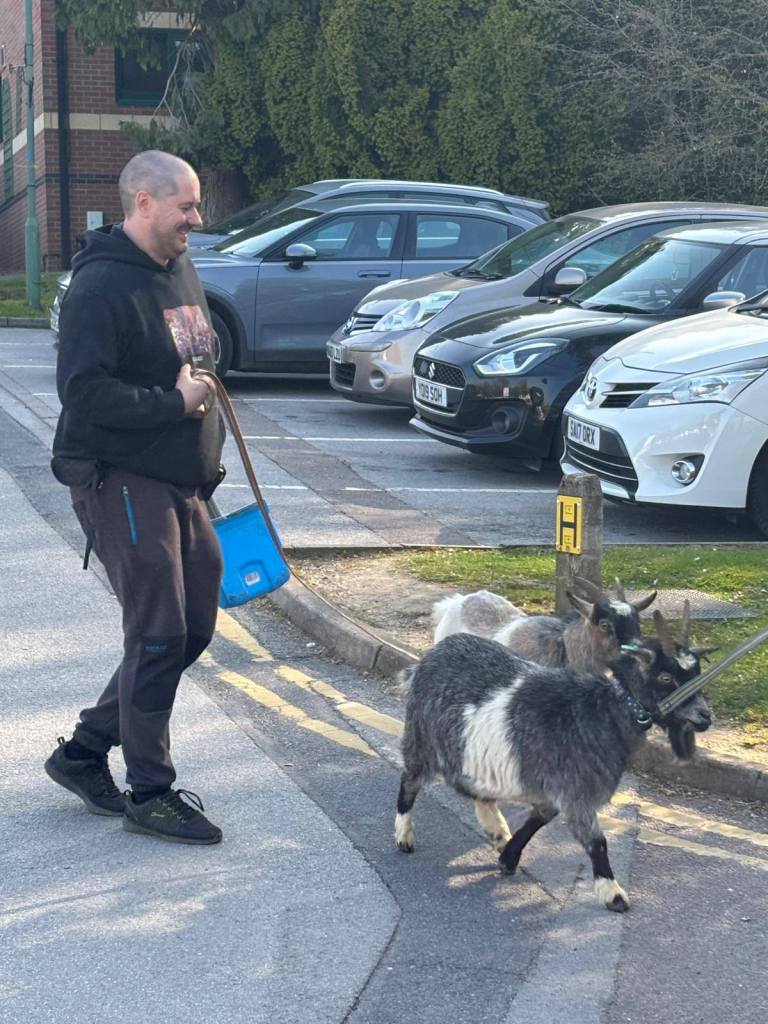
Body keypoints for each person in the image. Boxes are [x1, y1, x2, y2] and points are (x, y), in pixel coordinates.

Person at [45, 150, 226, 845]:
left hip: (183, 479)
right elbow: (83, 394)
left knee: (193, 628)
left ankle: (83, 752)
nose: (196, 219)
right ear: (144, 203)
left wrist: (200, 398)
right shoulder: (99, 286)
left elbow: (196, 353)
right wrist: (172, 403)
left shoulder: (177, 266)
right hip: (119, 476)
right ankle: (150, 791)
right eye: (186, 205)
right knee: (157, 633)